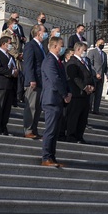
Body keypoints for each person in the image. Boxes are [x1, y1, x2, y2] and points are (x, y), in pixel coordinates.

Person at [40, 36, 71, 167]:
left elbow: (64, 79)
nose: (63, 48)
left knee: (55, 131)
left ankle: (52, 157)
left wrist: (68, 92)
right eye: (61, 45)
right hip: (51, 99)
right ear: (54, 46)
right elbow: (55, 79)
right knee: (50, 130)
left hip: (58, 100)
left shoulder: (58, 61)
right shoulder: (49, 61)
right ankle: (46, 157)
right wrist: (64, 94)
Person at [65, 41, 95, 143]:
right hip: (77, 94)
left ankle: (79, 135)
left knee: (83, 117)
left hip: (85, 95)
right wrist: (84, 87)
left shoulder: (85, 62)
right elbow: (75, 77)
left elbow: (89, 75)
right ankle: (71, 135)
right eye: (84, 50)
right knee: (74, 116)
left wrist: (92, 86)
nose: (85, 52)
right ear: (78, 50)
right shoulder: (72, 62)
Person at [22, 24, 46, 139]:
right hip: (33, 81)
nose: (45, 33)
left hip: (41, 82)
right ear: (38, 33)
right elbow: (28, 64)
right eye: (44, 31)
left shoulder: (41, 46)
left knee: (37, 108)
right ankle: (28, 130)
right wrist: (31, 79)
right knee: (31, 107)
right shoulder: (30, 45)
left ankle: (34, 129)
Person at [0, 36, 18, 135]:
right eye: (9, 43)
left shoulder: (10, 56)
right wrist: (11, 72)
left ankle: (4, 127)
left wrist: (15, 72)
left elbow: (14, 67)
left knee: (7, 109)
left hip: (10, 85)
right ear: (3, 44)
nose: (11, 45)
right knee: (0, 107)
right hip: (1, 84)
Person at [86, 38, 107, 115]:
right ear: (97, 43)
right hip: (94, 76)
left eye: (103, 43)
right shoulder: (92, 52)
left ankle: (96, 109)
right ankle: (89, 108)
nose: (102, 44)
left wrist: (107, 74)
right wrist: (95, 73)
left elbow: (105, 66)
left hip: (101, 77)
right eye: (101, 43)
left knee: (99, 94)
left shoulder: (104, 54)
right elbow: (90, 64)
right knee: (92, 94)